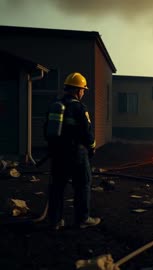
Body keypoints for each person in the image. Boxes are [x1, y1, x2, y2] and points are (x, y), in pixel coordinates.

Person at [44, 72, 100, 230]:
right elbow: (87, 133)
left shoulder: (56, 105)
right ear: (77, 90)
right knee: (83, 184)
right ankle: (83, 219)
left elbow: (47, 130)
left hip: (57, 154)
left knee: (57, 187)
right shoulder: (79, 107)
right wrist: (92, 147)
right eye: (83, 89)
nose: (83, 92)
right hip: (76, 153)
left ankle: (55, 221)